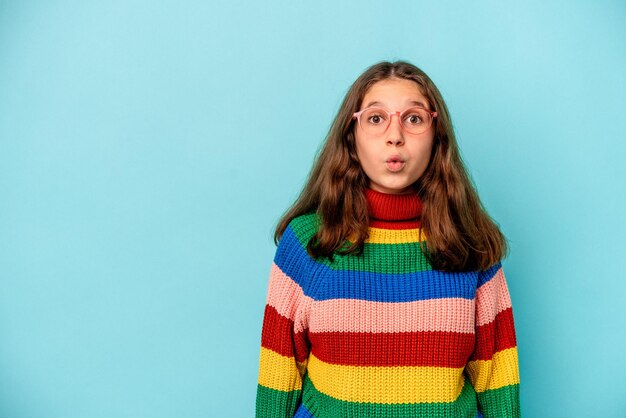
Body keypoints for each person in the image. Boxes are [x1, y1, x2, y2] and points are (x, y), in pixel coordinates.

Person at [255, 60, 521, 418]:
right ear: (352, 135)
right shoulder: (308, 242)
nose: (395, 135)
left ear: (436, 135)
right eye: (376, 118)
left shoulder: (470, 243)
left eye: (413, 118)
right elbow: (278, 375)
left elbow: (498, 380)